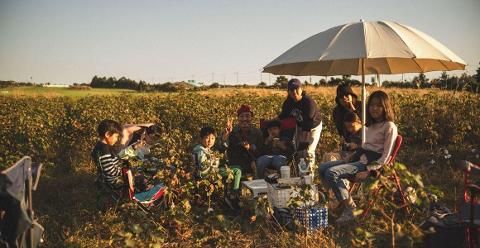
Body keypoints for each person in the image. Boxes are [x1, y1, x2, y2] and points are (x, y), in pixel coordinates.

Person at [318, 90, 398, 224]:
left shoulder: (389, 126)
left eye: (378, 105)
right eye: (372, 105)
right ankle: (337, 200)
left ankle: (350, 208)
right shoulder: (370, 125)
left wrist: (369, 170)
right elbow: (365, 147)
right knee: (322, 168)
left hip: (370, 164)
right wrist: (351, 156)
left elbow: (386, 157)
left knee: (331, 173)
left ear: (385, 107)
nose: (374, 108)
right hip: (359, 159)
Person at [278, 78, 322, 172]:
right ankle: (300, 174)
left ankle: (310, 176)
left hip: (313, 127)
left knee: (308, 150)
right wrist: (270, 122)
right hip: (300, 126)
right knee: (298, 151)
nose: (294, 91)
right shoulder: (288, 103)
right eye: (291, 89)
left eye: (296, 88)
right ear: (288, 91)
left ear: (301, 89)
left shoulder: (308, 103)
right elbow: (283, 116)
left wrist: (303, 142)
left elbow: (308, 123)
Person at [192, 126, 242, 209]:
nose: (210, 141)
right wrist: (212, 160)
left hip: (211, 171)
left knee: (237, 167)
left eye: (212, 138)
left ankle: (231, 193)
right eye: (207, 138)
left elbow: (221, 148)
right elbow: (202, 167)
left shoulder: (207, 149)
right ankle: (233, 195)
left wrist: (224, 137)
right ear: (201, 138)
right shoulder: (200, 150)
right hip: (206, 174)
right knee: (237, 170)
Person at [218, 104, 264, 176]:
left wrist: (250, 147)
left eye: (247, 116)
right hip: (235, 164)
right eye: (241, 116)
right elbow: (221, 150)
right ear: (238, 118)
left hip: (252, 165)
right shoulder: (231, 131)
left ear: (251, 118)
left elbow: (261, 151)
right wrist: (224, 139)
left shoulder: (257, 132)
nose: (244, 119)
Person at [91, 120, 125, 188]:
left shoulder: (100, 146)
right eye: (116, 136)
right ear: (107, 134)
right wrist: (124, 172)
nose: (116, 139)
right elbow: (110, 170)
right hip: (113, 181)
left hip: (107, 179)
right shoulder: (104, 149)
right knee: (137, 178)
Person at [333, 84, 362, 152]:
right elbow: (340, 129)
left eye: (346, 95)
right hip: (348, 142)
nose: (344, 98)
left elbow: (363, 122)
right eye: (341, 96)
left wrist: (351, 106)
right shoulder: (337, 111)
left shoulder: (361, 106)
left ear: (351, 96)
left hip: (362, 140)